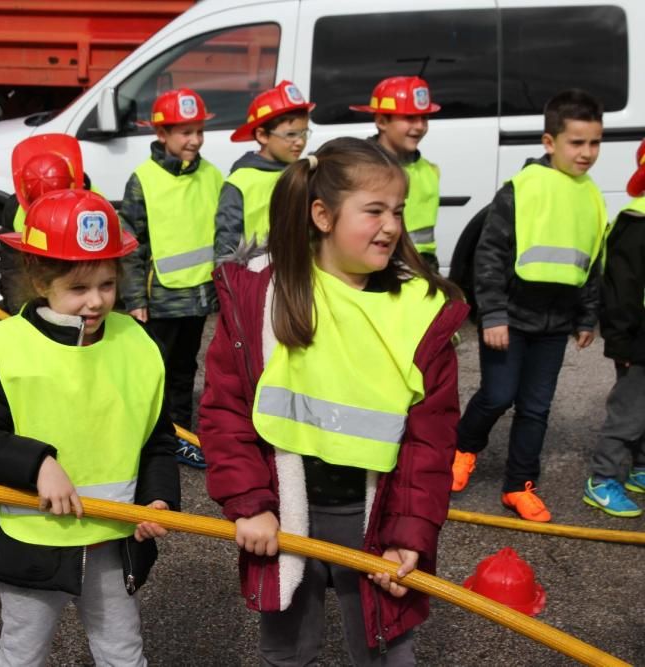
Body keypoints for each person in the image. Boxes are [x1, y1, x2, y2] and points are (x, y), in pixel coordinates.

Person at [199, 137, 467, 665]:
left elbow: (429, 442)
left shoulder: (418, 311)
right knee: (288, 652)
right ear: (321, 215)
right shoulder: (264, 299)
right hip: (283, 514)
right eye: (373, 211)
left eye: (397, 211)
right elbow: (226, 411)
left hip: (376, 518)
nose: (391, 226)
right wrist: (250, 504)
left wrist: (409, 535)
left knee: (387, 650)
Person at [0, 189, 180, 667]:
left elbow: (156, 437)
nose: (96, 301)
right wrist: (37, 464)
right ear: (39, 279)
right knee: (22, 653)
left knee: (122, 651)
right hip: (33, 542)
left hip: (112, 541)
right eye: (79, 288)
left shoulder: (136, 344)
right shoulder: (6, 348)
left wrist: (159, 498)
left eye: (107, 285)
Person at [453, 89, 606, 522]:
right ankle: (463, 447)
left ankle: (519, 486)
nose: (587, 153)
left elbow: (592, 261)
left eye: (594, 142)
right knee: (498, 395)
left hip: (556, 324)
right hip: (511, 319)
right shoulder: (520, 189)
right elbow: (490, 256)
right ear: (549, 142)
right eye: (577, 142)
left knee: (536, 408)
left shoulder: (592, 195)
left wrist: (587, 317)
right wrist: (493, 315)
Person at [120, 87, 223, 468]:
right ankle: (151, 436)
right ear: (161, 135)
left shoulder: (212, 176)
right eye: (185, 132)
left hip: (197, 297)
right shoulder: (143, 179)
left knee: (185, 370)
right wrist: (135, 299)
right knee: (154, 372)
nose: (194, 140)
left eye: (199, 131)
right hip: (159, 301)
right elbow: (131, 242)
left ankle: (178, 436)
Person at [582, 138, 645, 518]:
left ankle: (639, 469)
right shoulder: (636, 221)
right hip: (638, 337)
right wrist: (620, 341)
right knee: (630, 411)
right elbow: (621, 289)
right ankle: (603, 480)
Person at [351, 76, 442, 271]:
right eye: (409, 118)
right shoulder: (360, 168)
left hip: (423, 265)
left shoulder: (429, 169)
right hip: (380, 265)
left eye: (424, 118)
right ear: (382, 121)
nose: (419, 126)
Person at [214, 80, 313, 257]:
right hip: (256, 278)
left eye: (304, 133)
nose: (300, 142)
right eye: (291, 135)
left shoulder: (302, 173)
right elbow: (227, 243)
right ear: (262, 135)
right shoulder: (239, 182)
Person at [0, 133, 91, 314]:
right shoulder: (14, 210)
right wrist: (17, 310)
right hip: (37, 287)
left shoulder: (93, 206)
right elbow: (12, 268)